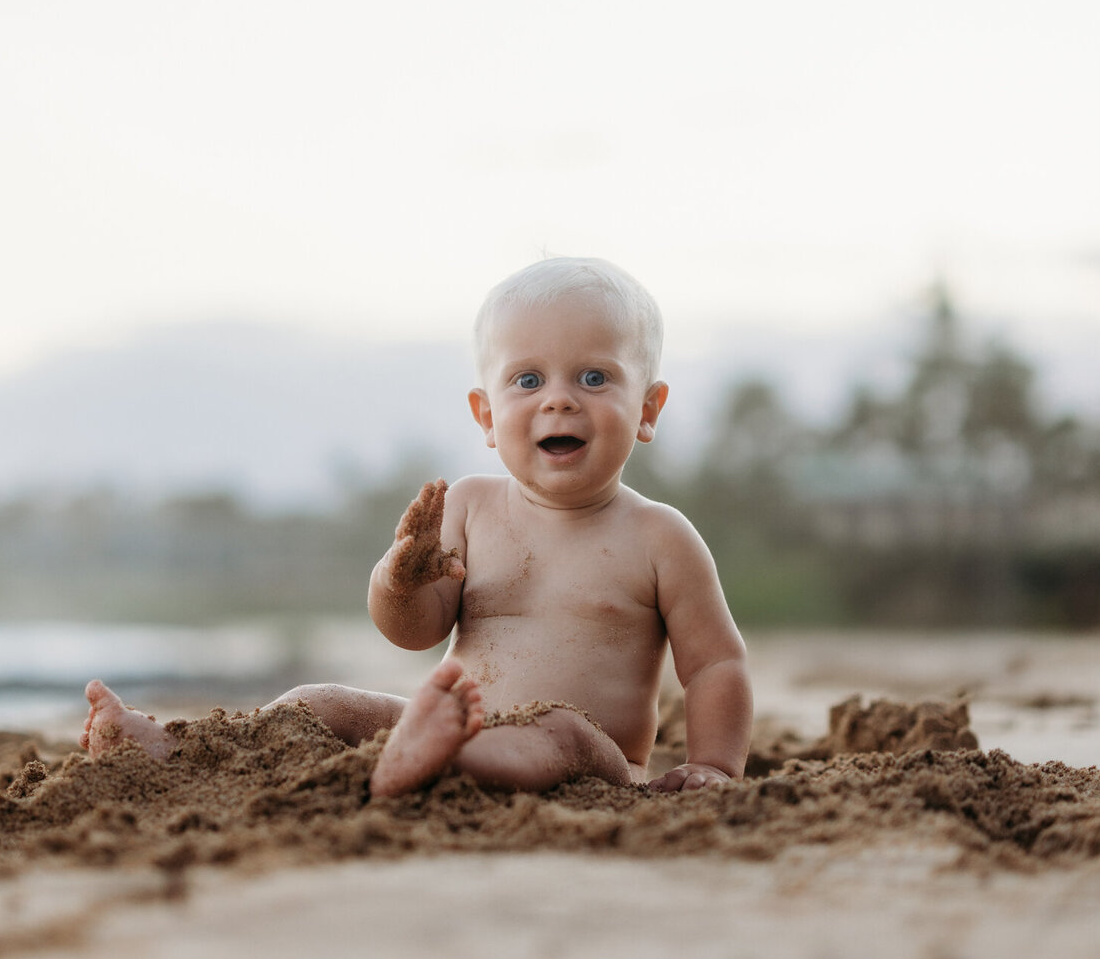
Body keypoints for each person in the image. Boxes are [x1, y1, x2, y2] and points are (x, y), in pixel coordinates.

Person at [82, 258, 753, 797]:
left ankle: (440, 760)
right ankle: (179, 751)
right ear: (486, 416)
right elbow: (413, 632)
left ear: (648, 408)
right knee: (320, 702)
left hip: (590, 763)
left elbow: (715, 663)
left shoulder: (661, 538)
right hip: (454, 722)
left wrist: (714, 765)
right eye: (527, 380)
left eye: (594, 377)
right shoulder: (469, 507)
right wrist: (400, 578)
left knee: (563, 729)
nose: (558, 398)